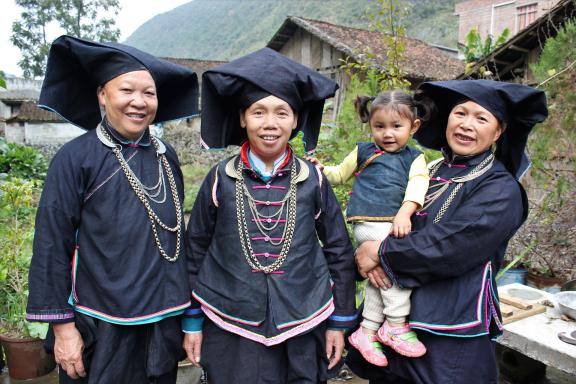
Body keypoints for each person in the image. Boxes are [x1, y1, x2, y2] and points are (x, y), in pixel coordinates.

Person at [348, 79, 547, 384]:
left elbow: (455, 243)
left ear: (498, 131)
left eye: (481, 118)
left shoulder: (500, 188)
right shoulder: (429, 170)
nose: (467, 125)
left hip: (451, 329)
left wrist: (380, 252)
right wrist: (368, 250)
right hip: (396, 319)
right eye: (460, 114)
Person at [26, 35, 199, 384]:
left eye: (148, 93)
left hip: (161, 321)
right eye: (127, 91)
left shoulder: (167, 157)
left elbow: (175, 237)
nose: (139, 102)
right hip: (99, 321)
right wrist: (63, 330)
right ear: (102, 95)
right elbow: (51, 245)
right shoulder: (75, 159)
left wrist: (190, 320)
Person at [182, 47, 357, 383]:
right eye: (258, 112)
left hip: (305, 317)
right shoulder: (220, 178)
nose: (270, 124)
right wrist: (192, 321)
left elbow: (338, 250)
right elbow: (195, 251)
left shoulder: (314, 180)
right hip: (230, 318)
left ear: (295, 120)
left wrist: (339, 322)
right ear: (242, 118)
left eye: (282, 113)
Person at [307, 91, 429, 366]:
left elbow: (418, 186)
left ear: (414, 127)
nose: (388, 134)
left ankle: (368, 330)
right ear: (370, 125)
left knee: (379, 279)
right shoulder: (363, 151)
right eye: (380, 126)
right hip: (369, 225)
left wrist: (405, 212)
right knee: (397, 271)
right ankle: (396, 324)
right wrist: (321, 169)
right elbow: (339, 175)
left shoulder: (415, 158)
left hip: (395, 222)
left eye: (397, 127)